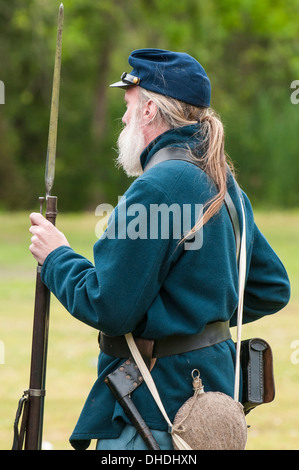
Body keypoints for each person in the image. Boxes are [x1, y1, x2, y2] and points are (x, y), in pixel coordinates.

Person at [29, 49, 290, 450]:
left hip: (155, 410)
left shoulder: (156, 188)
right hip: (211, 407)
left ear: (150, 109)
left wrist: (56, 257)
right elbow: (270, 287)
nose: (124, 116)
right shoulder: (224, 184)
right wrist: (194, 317)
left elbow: (110, 307)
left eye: (128, 105)